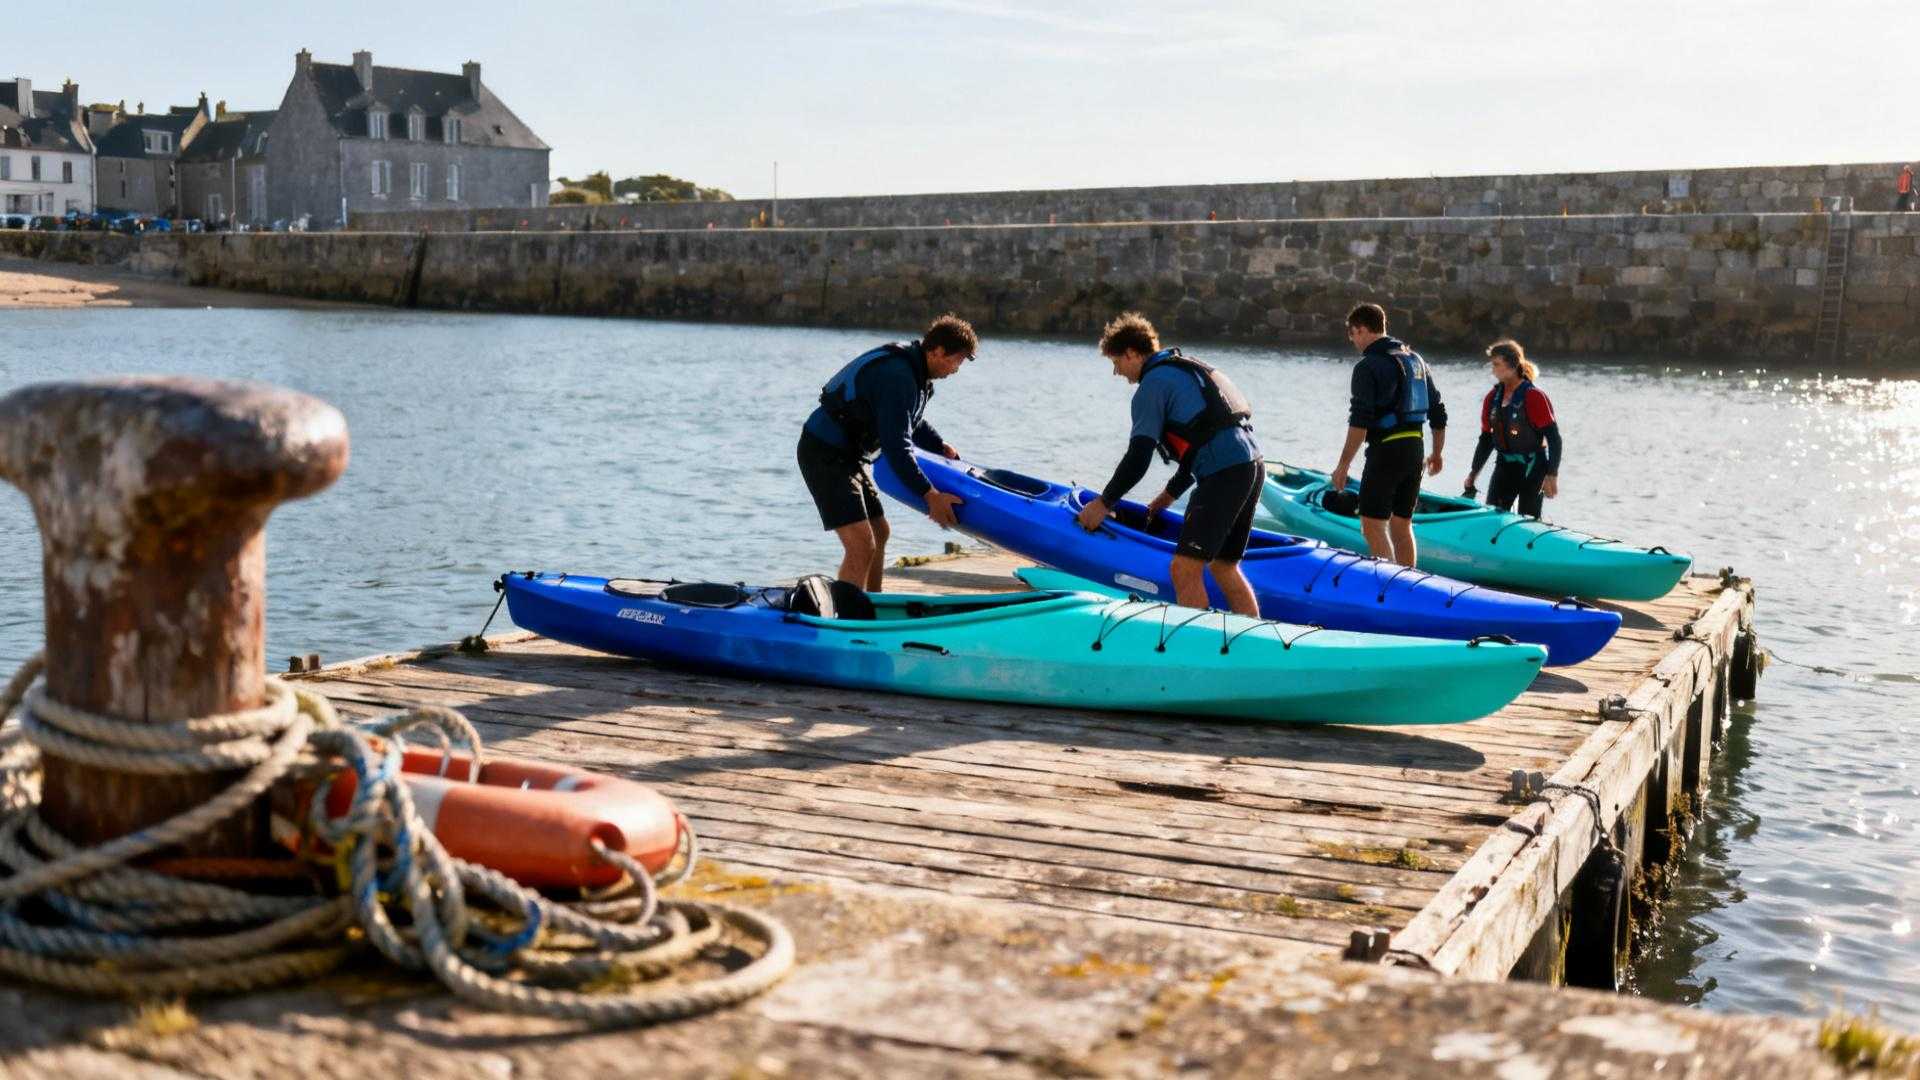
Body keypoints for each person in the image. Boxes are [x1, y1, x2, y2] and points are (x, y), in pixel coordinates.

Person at [1075, 312, 1263, 616]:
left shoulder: (1152, 386)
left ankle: (1198, 648)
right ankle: (1255, 644)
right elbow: (1205, 438)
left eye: (1116, 363)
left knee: (1183, 568)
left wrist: (1103, 502)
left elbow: (1138, 456)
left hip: (1225, 473)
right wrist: (1168, 497)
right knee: (1224, 566)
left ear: (1132, 354)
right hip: (1251, 464)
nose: (1116, 372)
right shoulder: (1183, 368)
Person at [798, 313, 975, 591]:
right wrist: (930, 496)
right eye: (957, 360)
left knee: (880, 532)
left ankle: (872, 602)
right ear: (938, 351)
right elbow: (896, 447)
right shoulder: (899, 376)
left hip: (848, 456)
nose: (956, 369)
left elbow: (908, 421)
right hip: (824, 452)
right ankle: (848, 621)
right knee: (860, 545)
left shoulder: (914, 372)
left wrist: (939, 446)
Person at [1328, 303, 1447, 568]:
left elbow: (1360, 421)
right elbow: (1438, 412)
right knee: (1402, 523)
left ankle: (1389, 585)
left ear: (1360, 330)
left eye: (1352, 334)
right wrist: (1437, 453)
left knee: (1371, 523)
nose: (1352, 340)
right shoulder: (1415, 360)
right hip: (1415, 448)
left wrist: (1344, 464)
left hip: (1387, 452)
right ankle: (1409, 585)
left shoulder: (1368, 366)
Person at [1462, 339, 1562, 519]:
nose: (1492, 369)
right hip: (1505, 466)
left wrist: (1552, 474)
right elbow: (1486, 439)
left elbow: (1554, 438)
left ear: (1513, 365)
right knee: (1492, 517)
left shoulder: (1534, 397)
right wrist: (1473, 473)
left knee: (1528, 522)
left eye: (1496, 364)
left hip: (1533, 468)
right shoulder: (1492, 398)